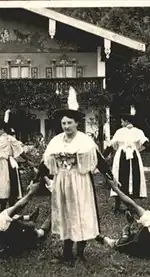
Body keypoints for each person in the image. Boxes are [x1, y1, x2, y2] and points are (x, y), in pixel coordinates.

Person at [32, 86, 115, 266]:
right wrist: (36, 179)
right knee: (66, 214)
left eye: (70, 123)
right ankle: (67, 253)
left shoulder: (85, 141)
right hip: (62, 181)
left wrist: (110, 178)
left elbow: (99, 161)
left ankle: (81, 252)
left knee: (81, 213)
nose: (66, 126)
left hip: (80, 181)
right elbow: (45, 162)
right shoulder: (56, 141)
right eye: (64, 123)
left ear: (77, 123)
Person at [0, 109, 36, 211]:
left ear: (2, 129)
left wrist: (29, 161)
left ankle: (11, 207)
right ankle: (3, 207)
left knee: (10, 184)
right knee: (1, 185)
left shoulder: (9, 139)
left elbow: (20, 151)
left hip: (8, 163)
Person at [103, 106, 150, 215]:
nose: (121, 123)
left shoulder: (121, 132)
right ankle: (128, 207)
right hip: (132, 157)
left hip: (123, 156)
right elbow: (145, 144)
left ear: (126, 121)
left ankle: (122, 207)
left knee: (121, 178)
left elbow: (111, 145)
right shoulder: (138, 132)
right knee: (128, 178)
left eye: (122, 121)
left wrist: (104, 155)